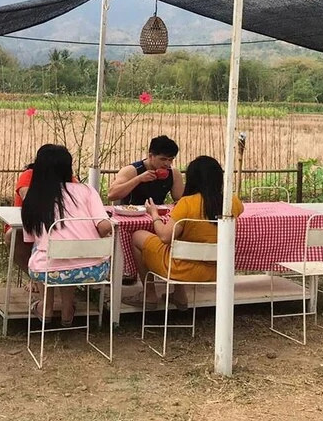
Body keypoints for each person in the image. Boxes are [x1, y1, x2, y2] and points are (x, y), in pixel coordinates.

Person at [123, 155, 243, 310]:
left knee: (138, 235)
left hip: (180, 269)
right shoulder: (232, 202)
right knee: (182, 238)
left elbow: (165, 237)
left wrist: (154, 214)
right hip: (217, 270)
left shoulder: (186, 203)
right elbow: (238, 210)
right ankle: (179, 295)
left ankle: (149, 295)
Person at [21, 144, 113, 326]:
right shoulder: (87, 190)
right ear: (68, 168)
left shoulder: (33, 197)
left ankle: (46, 308)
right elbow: (104, 227)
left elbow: (31, 238)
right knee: (71, 252)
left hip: (47, 271)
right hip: (94, 270)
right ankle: (67, 310)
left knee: (44, 249)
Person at [107, 135, 184, 206]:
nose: (167, 164)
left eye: (170, 160)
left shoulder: (174, 173)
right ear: (150, 156)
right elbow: (111, 195)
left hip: (158, 213)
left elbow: (180, 199)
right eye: (163, 159)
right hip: (131, 212)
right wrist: (139, 179)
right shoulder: (132, 170)